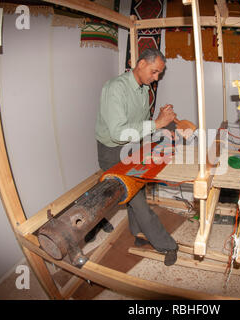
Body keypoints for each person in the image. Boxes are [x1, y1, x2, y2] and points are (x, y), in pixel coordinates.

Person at [95, 48, 179, 266]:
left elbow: (141, 126)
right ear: (141, 64)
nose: (156, 77)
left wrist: (159, 121)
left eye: (159, 73)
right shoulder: (115, 89)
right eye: (154, 72)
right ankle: (167, 246)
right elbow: (118, 133)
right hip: (112, 151)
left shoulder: (143, 89)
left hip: (132, 146)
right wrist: (158, 123)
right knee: (140, 203)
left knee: (137, 190)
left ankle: (138, 232)